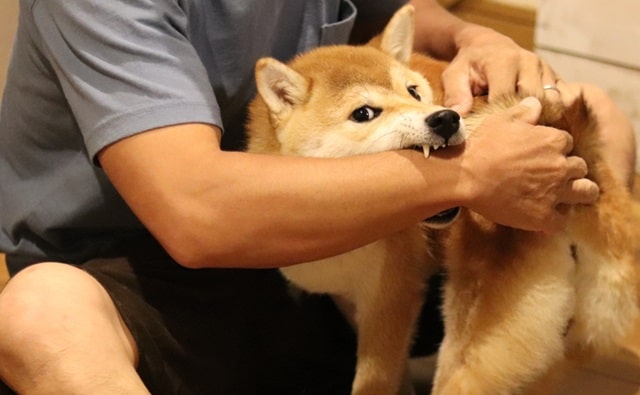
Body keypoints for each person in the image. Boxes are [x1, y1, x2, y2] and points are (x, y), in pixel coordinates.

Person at [0, 0, 632, 394]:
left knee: (594, 110)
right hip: (142, 268)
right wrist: (467, 178)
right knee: (37, 316)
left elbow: (398, 13)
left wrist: (477, 41)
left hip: (332, 264)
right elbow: (196, 214)